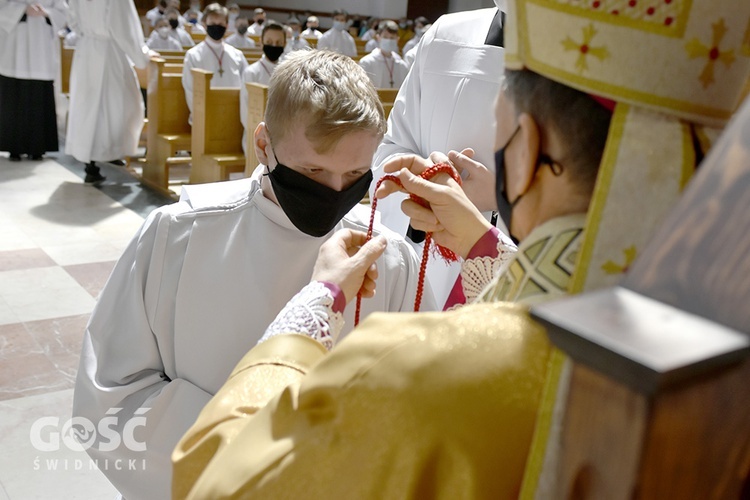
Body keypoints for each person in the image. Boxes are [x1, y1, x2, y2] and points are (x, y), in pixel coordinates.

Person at [169, 0, 750, 497]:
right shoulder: (727, 369)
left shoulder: (413, 370)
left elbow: (216, 477)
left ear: (527, 150)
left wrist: (315, 306)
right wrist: (485, 245)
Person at [73, 49, 432, 500]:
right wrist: (271, 461)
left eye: (356, 173)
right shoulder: (179, 233)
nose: (335, 193)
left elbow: (413, 402)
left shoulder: (389, 256)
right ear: (264, 145)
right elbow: (113, 397)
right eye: (312, 171)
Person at [370, 4, 505, 308]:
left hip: (509, 272)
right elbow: (391, 148)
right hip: (423, 256)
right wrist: (423, 185)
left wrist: (502, 200)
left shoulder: (602, 48)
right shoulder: (446, 35)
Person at [65, 0, 156, 184]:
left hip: (86, 50)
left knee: (88, 108)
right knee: (119, 104)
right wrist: (142, 55)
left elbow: (72, 19)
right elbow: (124, 27)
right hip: (108, 52)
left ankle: (96, 158)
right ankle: (108, 151)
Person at [0, 0, 67, 162]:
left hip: (41, 46)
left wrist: (46, 12)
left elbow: (64, 12)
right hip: (15, 46)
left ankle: (38, 148)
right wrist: (23, 10)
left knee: (38, 97)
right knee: (14, 97)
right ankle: (13, 148)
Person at [182, 3, 247, 124]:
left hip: (234, 117)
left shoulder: (237, 55)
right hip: (205, 118)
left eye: (221, 23)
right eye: (212, 23)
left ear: (227, 25)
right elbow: (190, 89)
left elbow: (246, 85)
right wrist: (202, 114)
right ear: (204, 24)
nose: (217, 26)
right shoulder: (193, 55)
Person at [240, 21, 285, 142]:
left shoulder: (288, 71)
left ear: (284, 44)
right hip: (256, 138)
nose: (274, 46)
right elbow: (246, 111)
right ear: (261, 42)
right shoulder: (251, 72)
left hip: (283, 137)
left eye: (279, 43)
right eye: (269, 42)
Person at [359, 21, 409, 89]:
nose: (388, 40)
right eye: (385, 37)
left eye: (392, 38)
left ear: (397, 39)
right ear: (378, 37)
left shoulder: (402, 65)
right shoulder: (367, 62)